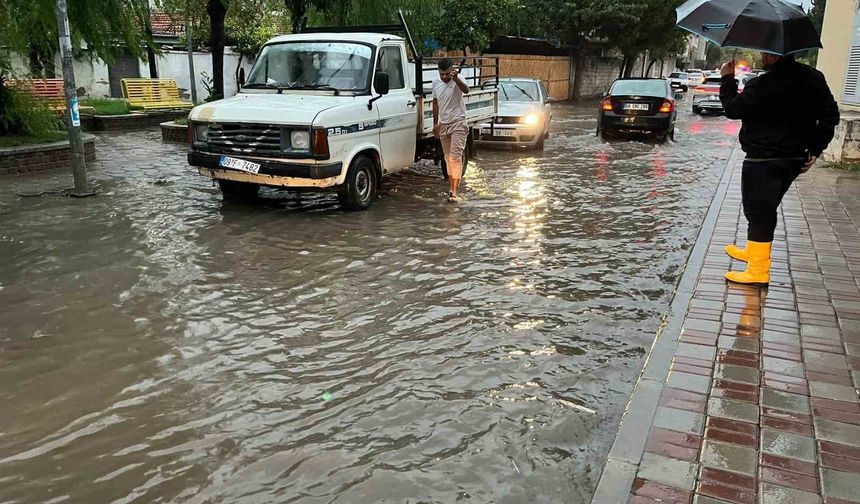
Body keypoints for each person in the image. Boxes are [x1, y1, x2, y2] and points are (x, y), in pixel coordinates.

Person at [719, 52, 839, 285]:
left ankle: (758, 270)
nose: (763, 56)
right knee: (766, 208)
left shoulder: (763, 84)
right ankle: (756, 250)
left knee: (759, 212)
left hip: (763, 159)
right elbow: (830, 116)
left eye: (765, 52)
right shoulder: (814, 77)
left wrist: (728, 78)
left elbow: (733, 109)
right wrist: (815, 150)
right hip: (794, 158)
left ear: (774, 55)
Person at [432, 58, 470, 203]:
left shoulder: (458, 79)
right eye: (442, 74)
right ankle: (451, 187)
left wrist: (456, 79)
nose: (444, 77)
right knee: (447, 158)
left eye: (447, 74)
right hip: (444, 124)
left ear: (452, 71)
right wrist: (436, 124)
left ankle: (454, 192)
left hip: (458, 122)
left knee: (455, 157)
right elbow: (435, 103)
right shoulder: (436, 83)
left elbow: (466, 90)